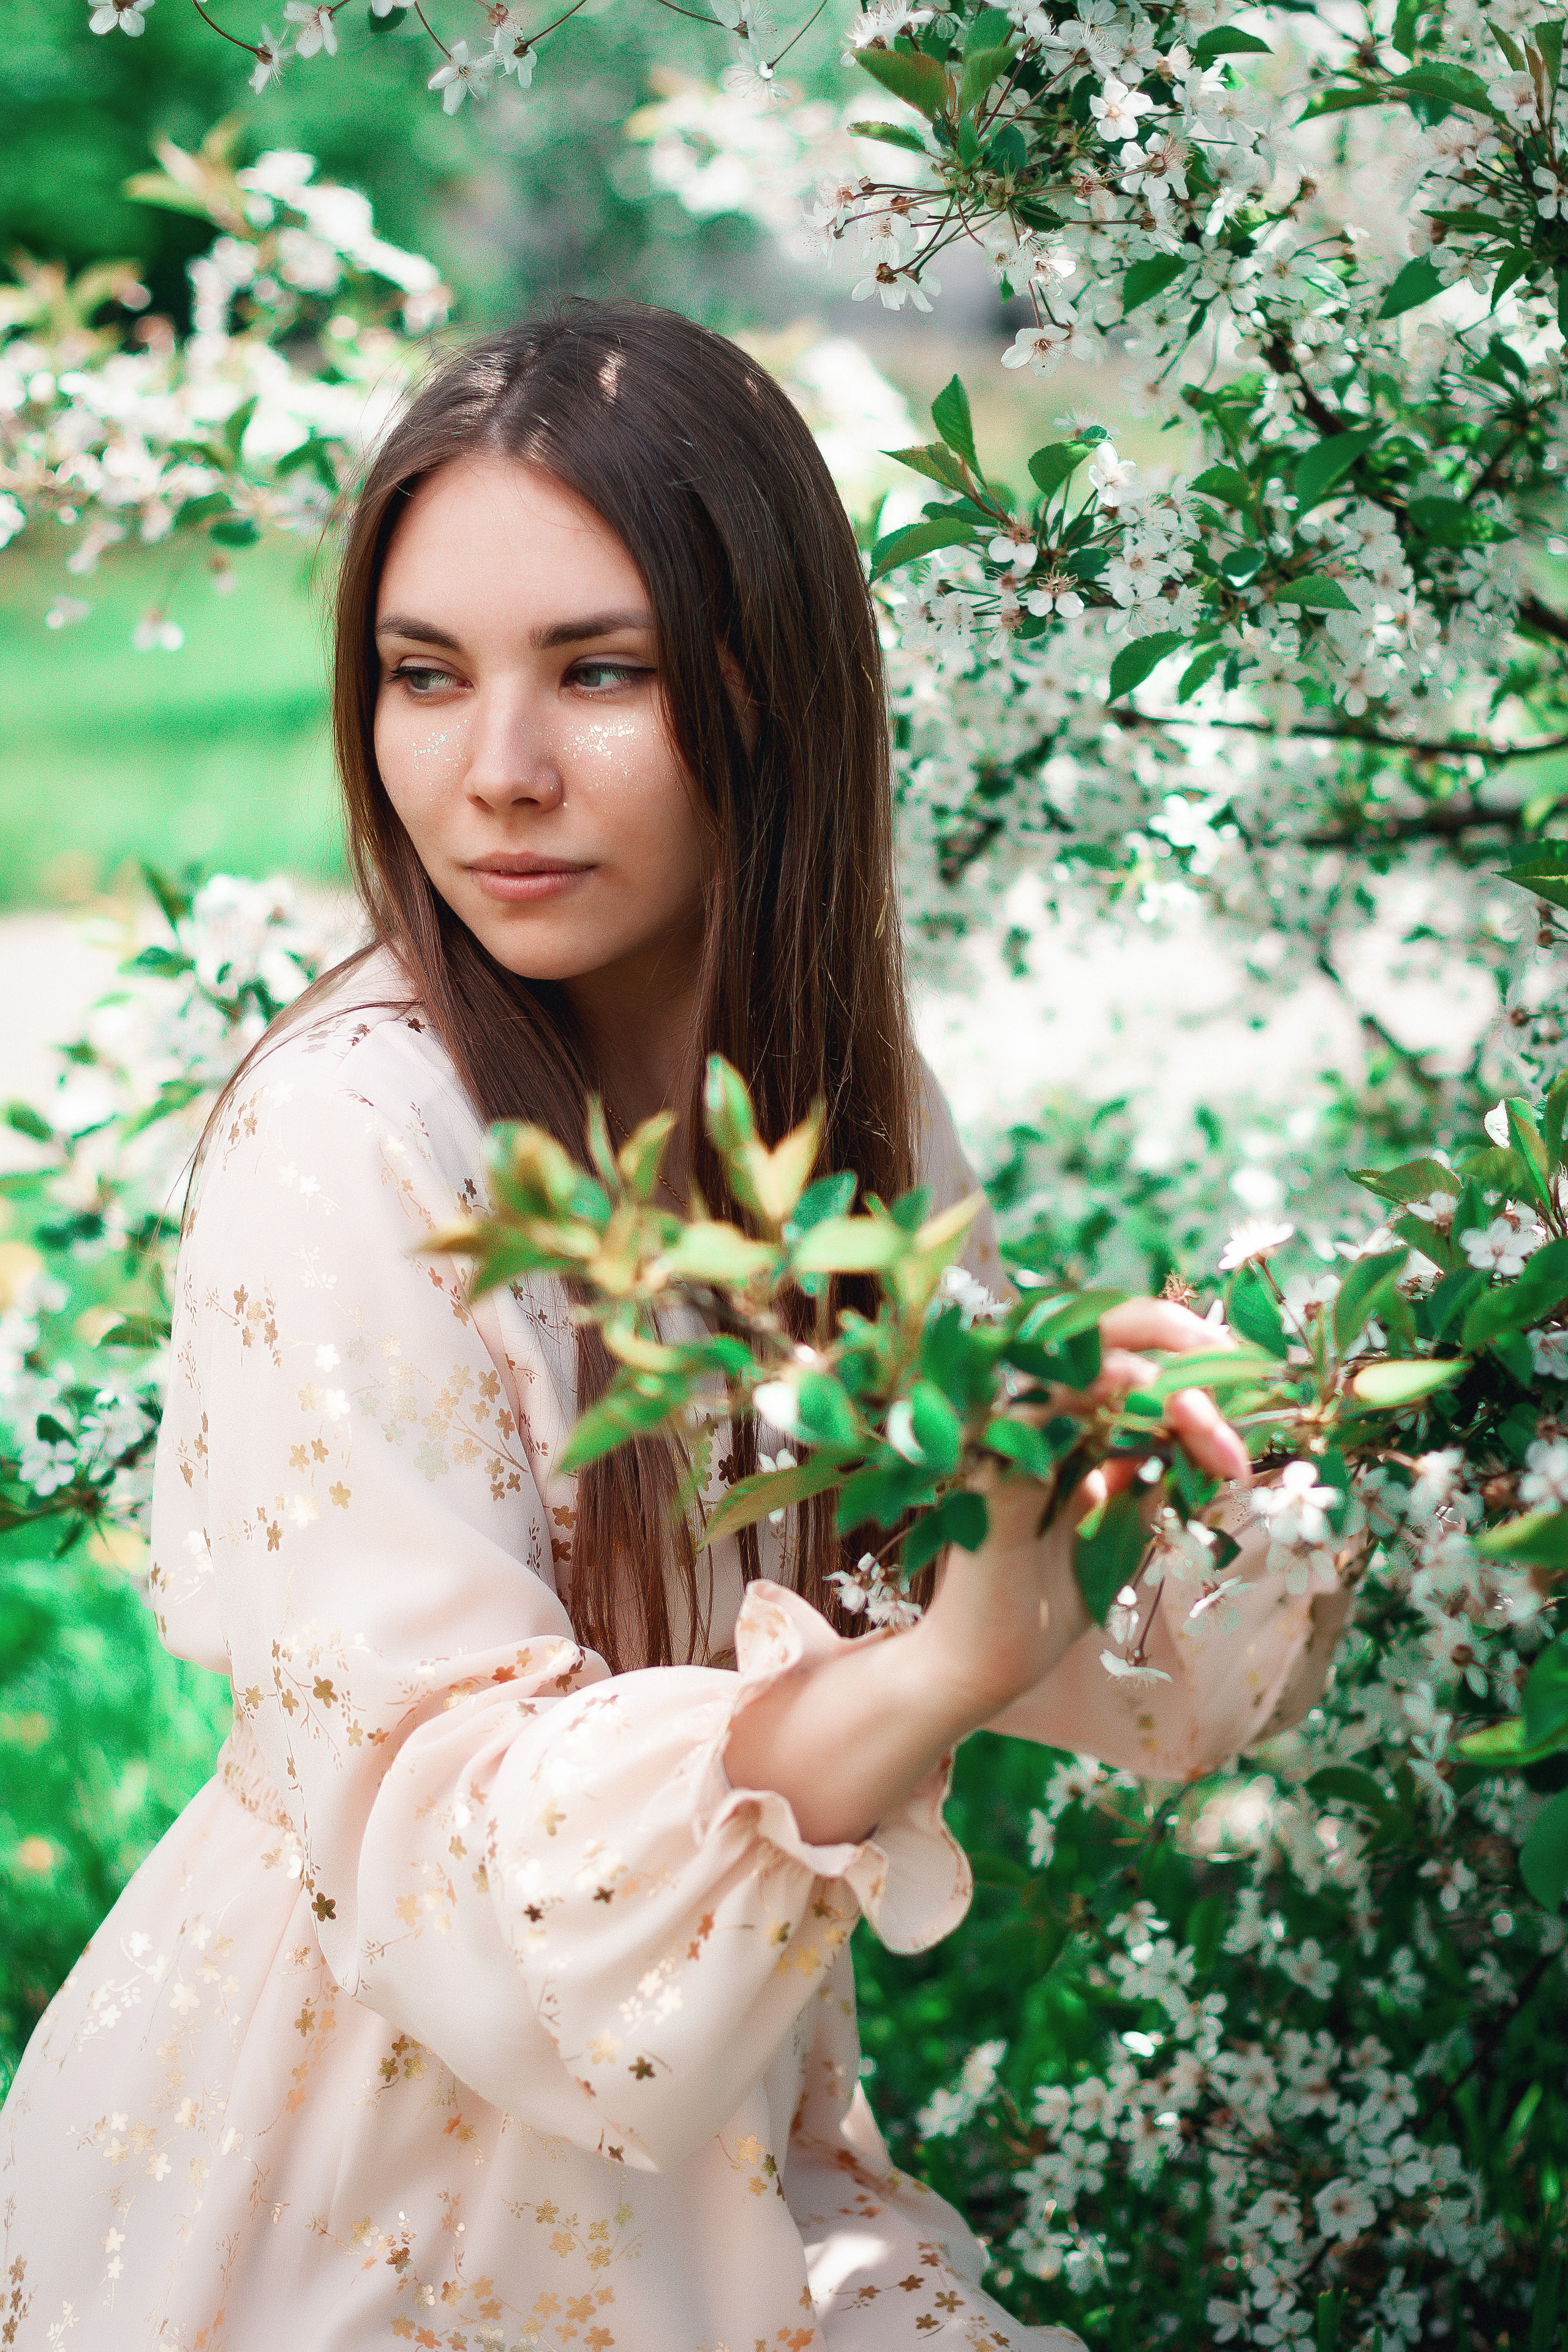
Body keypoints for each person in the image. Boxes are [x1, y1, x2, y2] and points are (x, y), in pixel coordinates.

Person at [0, 304, 1344, 2348]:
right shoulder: (351, 1142)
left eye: (598, 672)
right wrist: (959, 1658)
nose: (499, 774)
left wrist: (1146, 1466)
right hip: (344, 2205)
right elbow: (455, 1839)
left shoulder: (840, 1100)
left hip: (728, 2183)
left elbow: (1064, 1640)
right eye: (424, 678)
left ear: (771, 694)